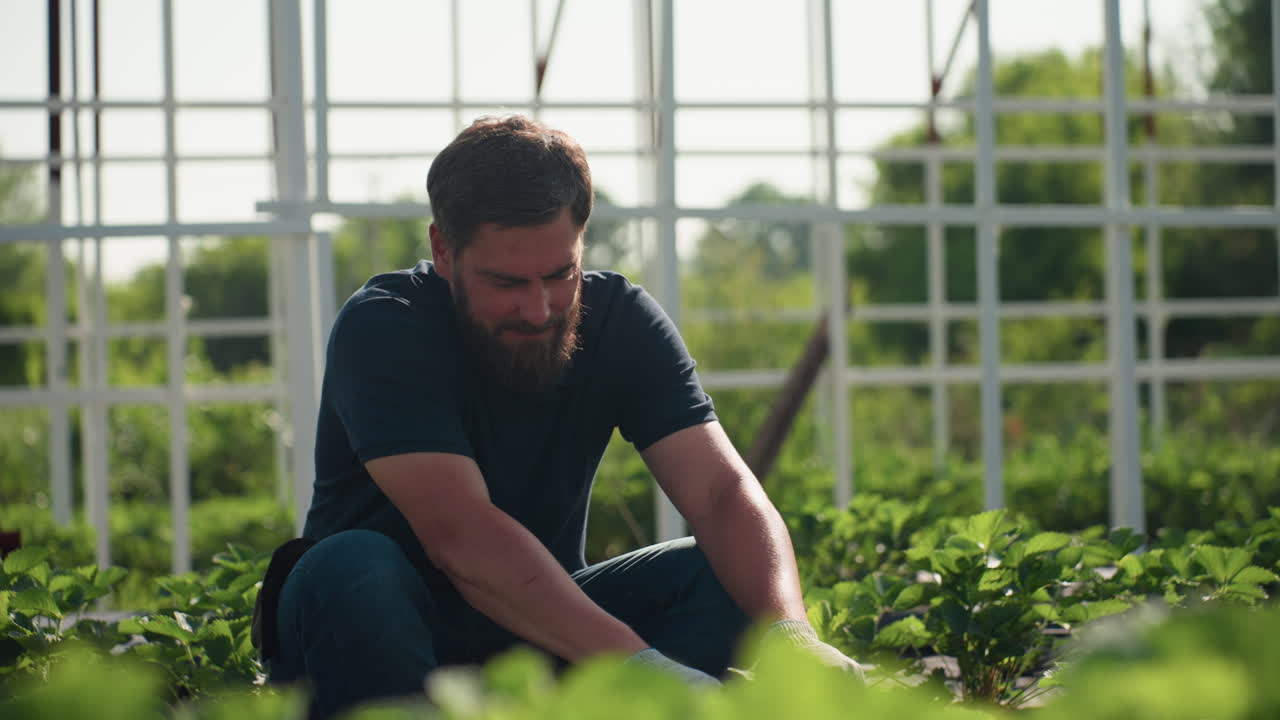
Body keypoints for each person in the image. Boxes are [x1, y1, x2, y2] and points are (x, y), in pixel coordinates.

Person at [263, 115, 865, 719]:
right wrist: (642, 668)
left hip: (534, 625)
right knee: (353, 566)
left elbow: (719, 491)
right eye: (506, 282)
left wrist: (793, 637)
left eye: (561, 274)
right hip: (373, 637)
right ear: (443, 251)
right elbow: (459, 534)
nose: (540, 308)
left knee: (719, 569)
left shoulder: (620, 319)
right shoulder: (385, 326)